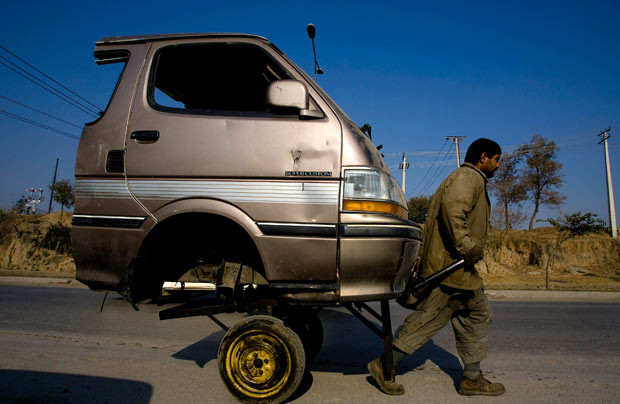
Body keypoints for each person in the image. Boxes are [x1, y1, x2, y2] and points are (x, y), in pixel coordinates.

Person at [368, 138, 505, 396]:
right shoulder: (469, 177)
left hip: (459, 268)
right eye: (497, 160)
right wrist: (468, 247)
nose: (498, 166)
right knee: (429, 320)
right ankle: (384, 364)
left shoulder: (469, 178)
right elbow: (454, 213)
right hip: (452, 267)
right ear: (484, 157)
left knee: (476, 313)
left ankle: (471, 377)